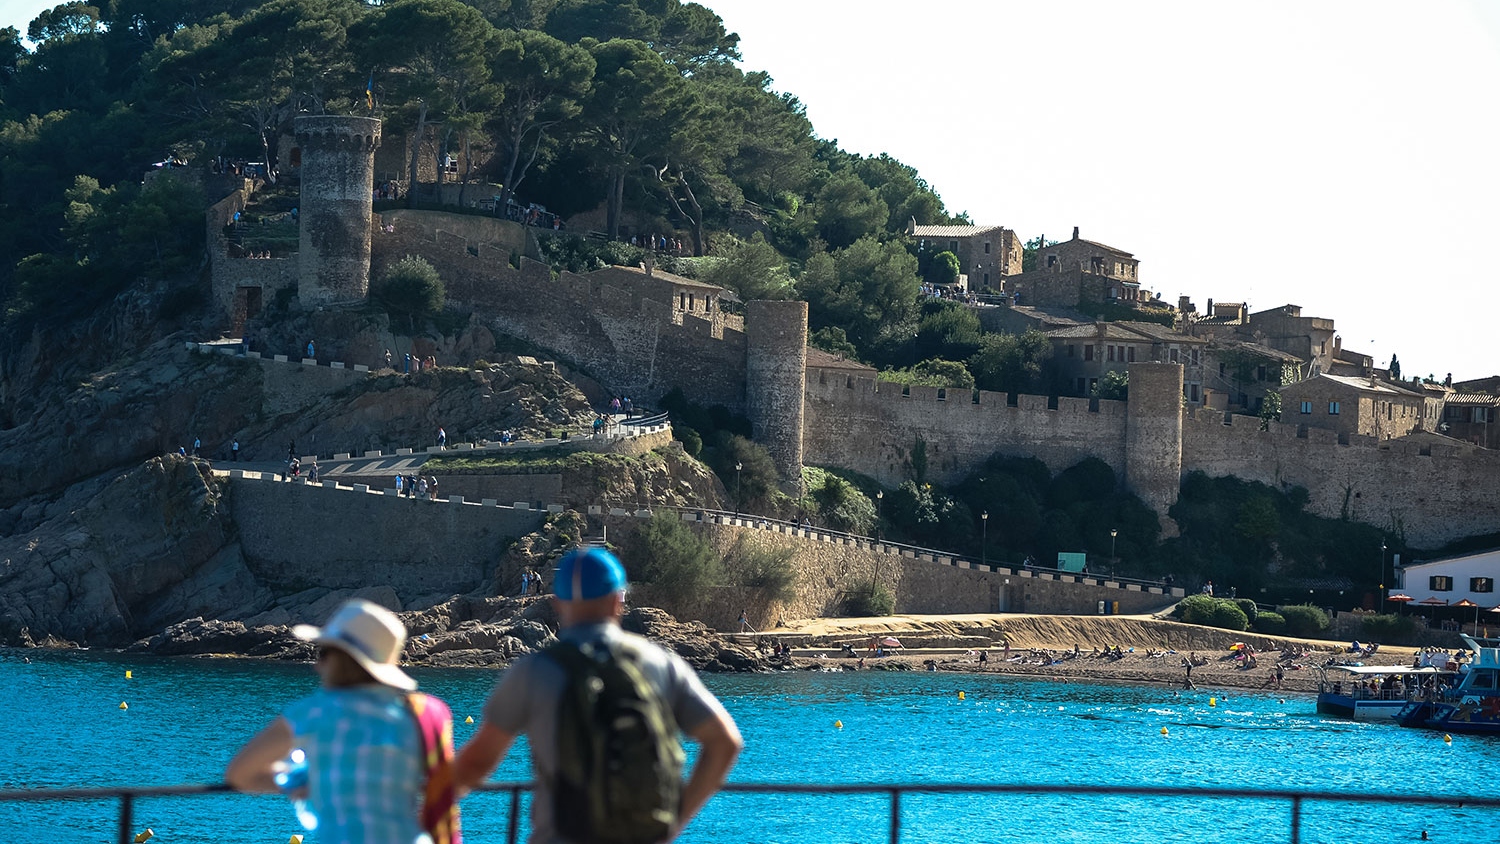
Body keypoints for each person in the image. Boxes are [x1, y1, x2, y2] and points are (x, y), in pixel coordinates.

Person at [455, 548, 741, 844]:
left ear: (557, 603)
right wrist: (673, 823)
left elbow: (477, 764)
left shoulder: (534, 671)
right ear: (619, 599)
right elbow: (725, 741)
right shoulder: (662, 663)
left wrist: (425, 799)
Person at [225, 599, 461, 844]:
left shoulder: (313, 712)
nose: (317, 665)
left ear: (338, 659)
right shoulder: (424, 713)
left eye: (323, 653)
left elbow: (240, 774)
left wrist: (303, 779)